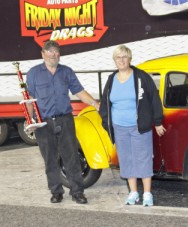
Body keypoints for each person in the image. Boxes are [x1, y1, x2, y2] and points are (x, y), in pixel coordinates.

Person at [26, 40, 100, 204]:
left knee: (71, 157)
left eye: (56, 51)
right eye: (49, 51)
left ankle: (77, 192)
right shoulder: (33, 73)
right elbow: (29, 98)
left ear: (59, 54)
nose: (53, 54)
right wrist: (29, 119)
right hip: (43, 123)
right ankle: (56, 191)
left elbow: (79, 92)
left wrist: (95, 103)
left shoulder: (67, 72)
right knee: (50, 159)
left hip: (65, 120)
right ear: (43, 54)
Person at [99, 45, 166, 207]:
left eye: (124, 57)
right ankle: (133, 192)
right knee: (127, 160)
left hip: (139, 127)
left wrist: (157, 121)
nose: (121, 60)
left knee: (142, 159)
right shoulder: (111, 79)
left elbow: (154, 99)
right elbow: (105, 103)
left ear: (130, 59)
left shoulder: (141, 77)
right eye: (118, 57)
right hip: (119, 128)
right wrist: (107, 123)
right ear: (114, 60)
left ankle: (148, 194)